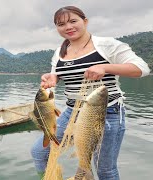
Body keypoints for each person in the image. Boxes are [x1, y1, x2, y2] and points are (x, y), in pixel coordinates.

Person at [30, 6, 151, 179]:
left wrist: (105, 67)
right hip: (72, 112)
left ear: (85, 21)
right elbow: (58, 75)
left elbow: (142, 69)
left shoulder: (106, 45)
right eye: (61, 24)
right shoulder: (60, 52)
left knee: (104, 169)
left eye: (73, 21)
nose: (68, 27)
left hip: (106, 112)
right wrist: (53, 78)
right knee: (39, 153)